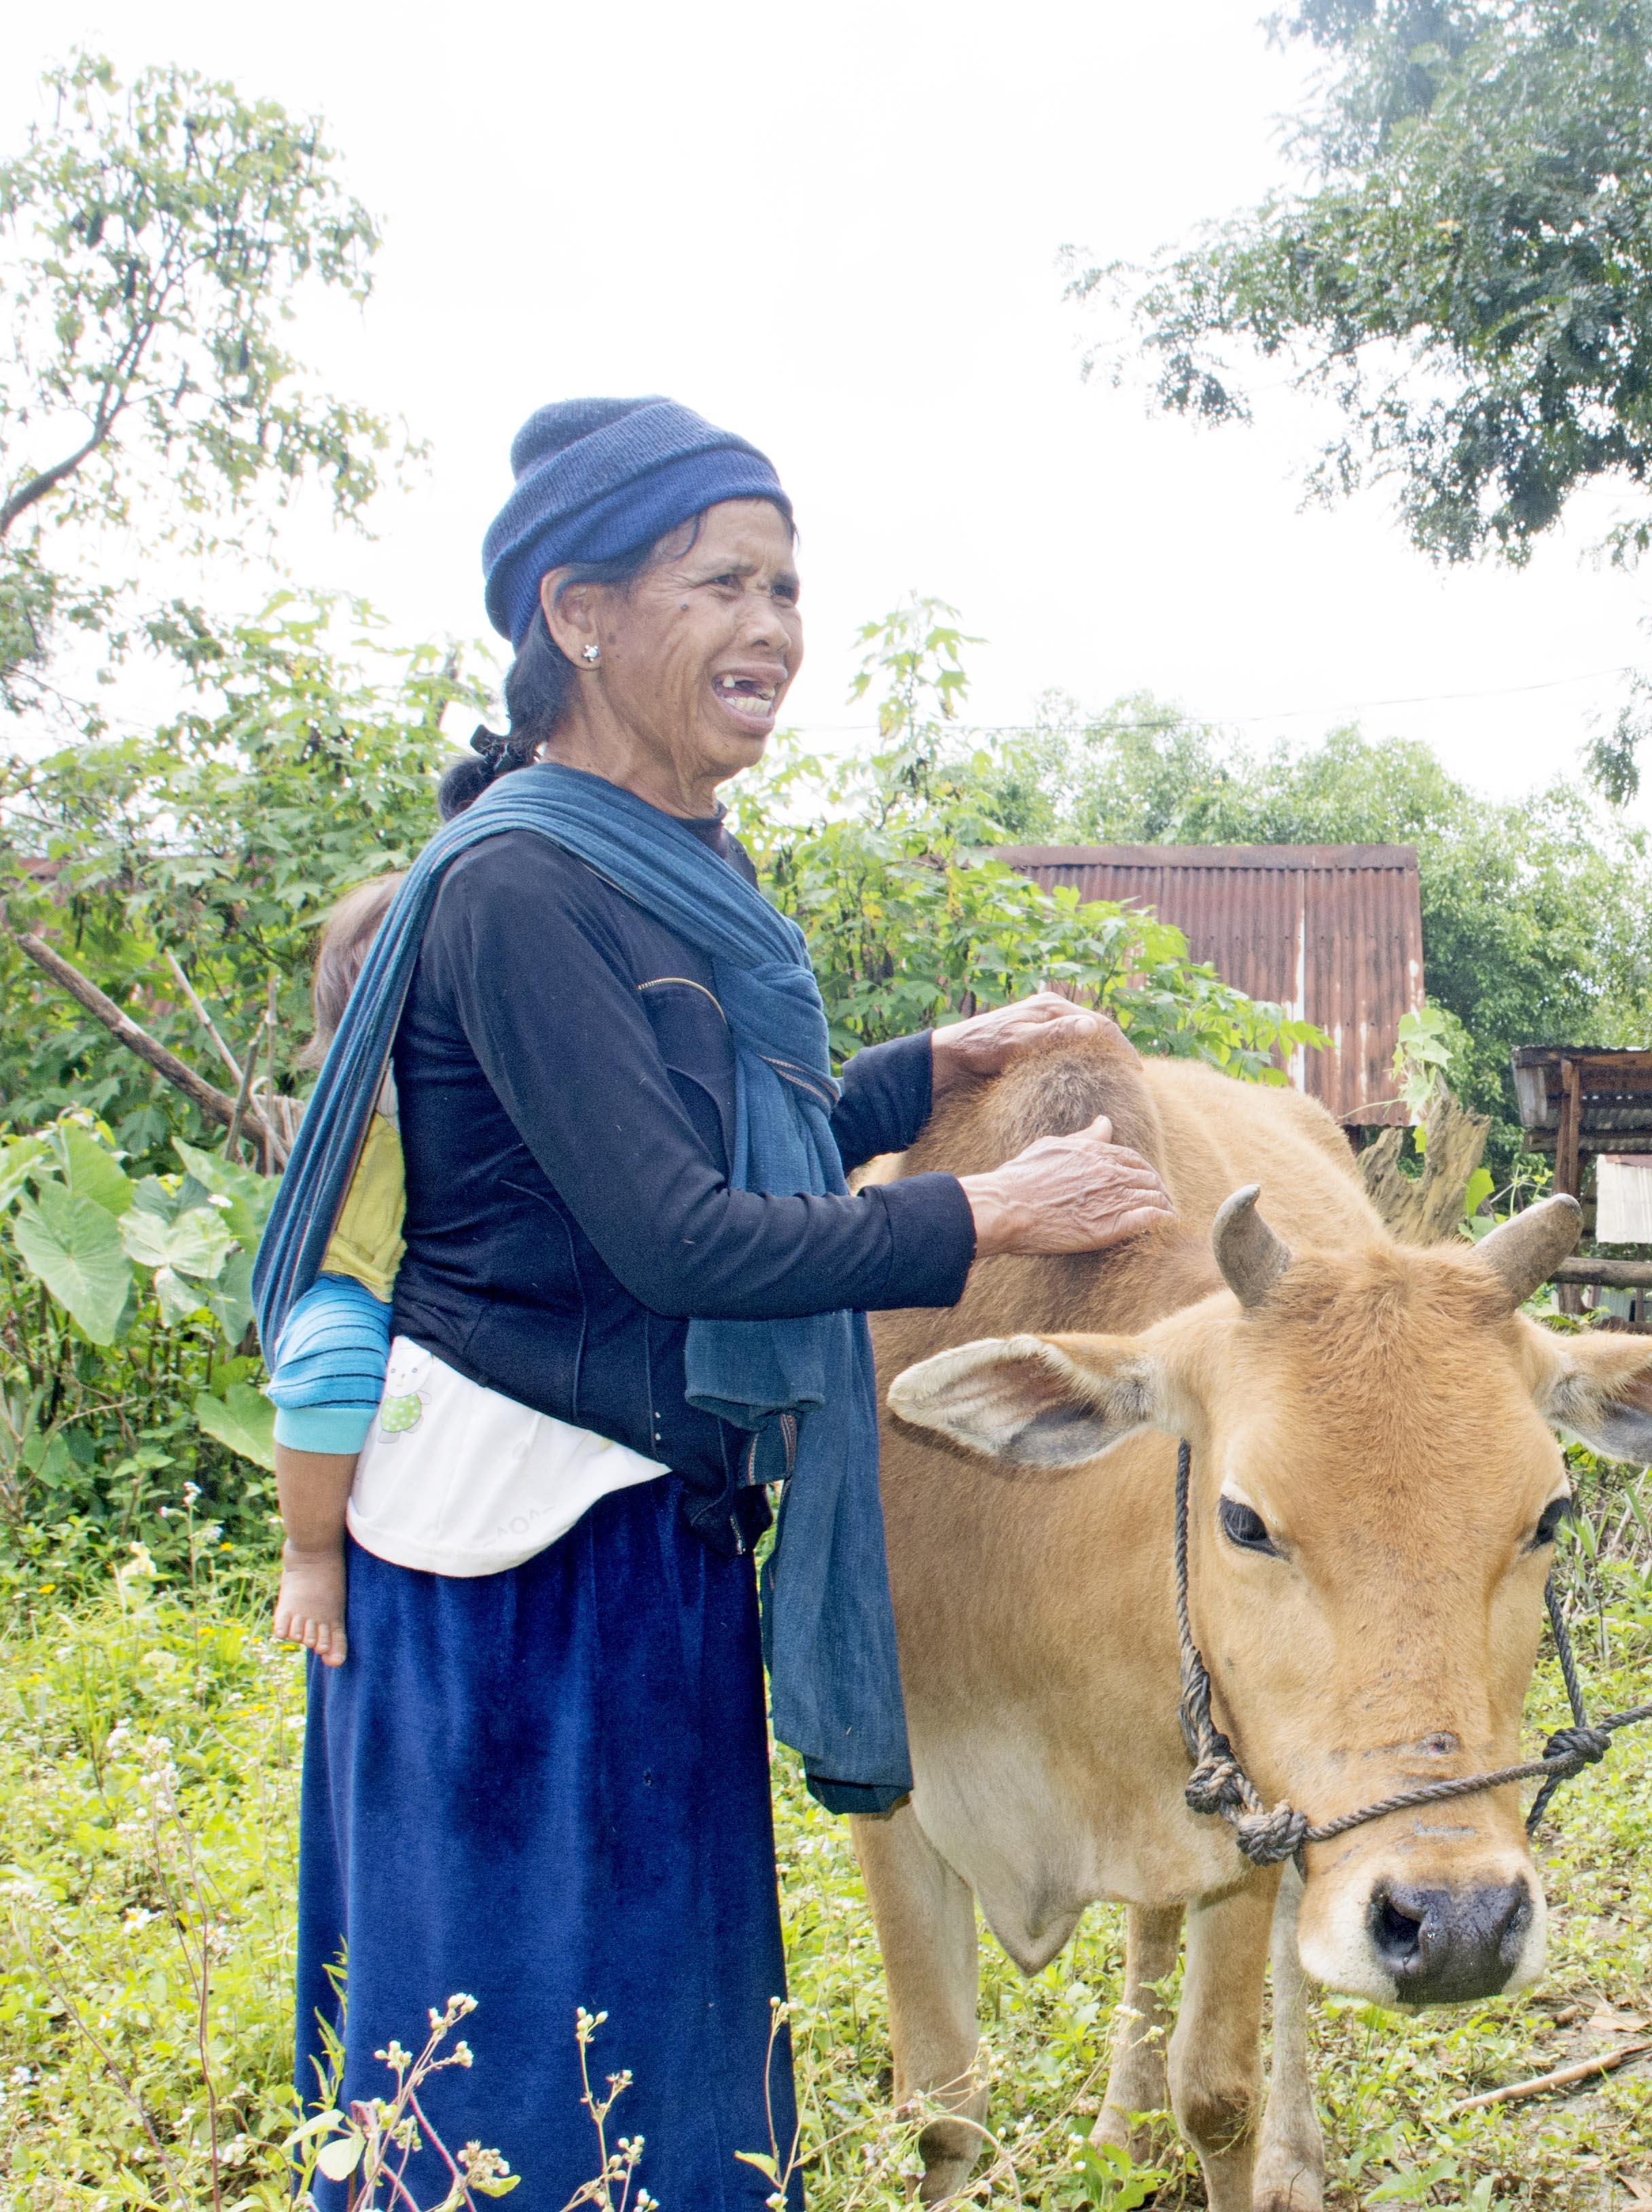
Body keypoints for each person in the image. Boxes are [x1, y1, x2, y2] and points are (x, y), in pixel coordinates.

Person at [255, 396, 1177, 2210]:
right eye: (722, 583)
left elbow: (728, 1147)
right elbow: (683, 1240)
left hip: (641, 1517)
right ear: (579, 616)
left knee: (659, 2010)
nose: (773, 628)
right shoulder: (526, 884)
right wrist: (988, 1207)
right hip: (518, 1550)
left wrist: (927, 1072)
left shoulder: (675, 870)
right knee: (524, 2016)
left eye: (788, 585)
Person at [266, 873, 408, 1668]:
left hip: (448, 1284)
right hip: (357, 1279)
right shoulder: (374, 1084)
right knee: (332, 1369)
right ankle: (309, 1552)